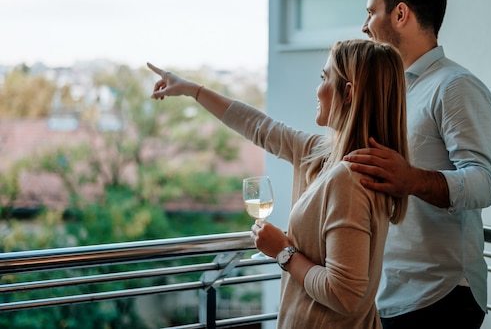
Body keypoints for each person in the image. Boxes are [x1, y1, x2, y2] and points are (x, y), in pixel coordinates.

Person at [147, 39, 409, 329]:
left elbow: (344, 294)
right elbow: (260, 127)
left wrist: (283, 252)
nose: (317, 88)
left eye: (324, 77)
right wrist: (192, 89)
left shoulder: (348, 179)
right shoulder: (324, 155)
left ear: (348, 93)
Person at [343, 0, 491, 328]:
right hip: (389, 293)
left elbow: (483, 182)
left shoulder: (455, 86)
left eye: (370, 13)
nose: (365, 26)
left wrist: (410, 179)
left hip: (440, 295)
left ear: (400, 14)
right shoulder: (393, 91)